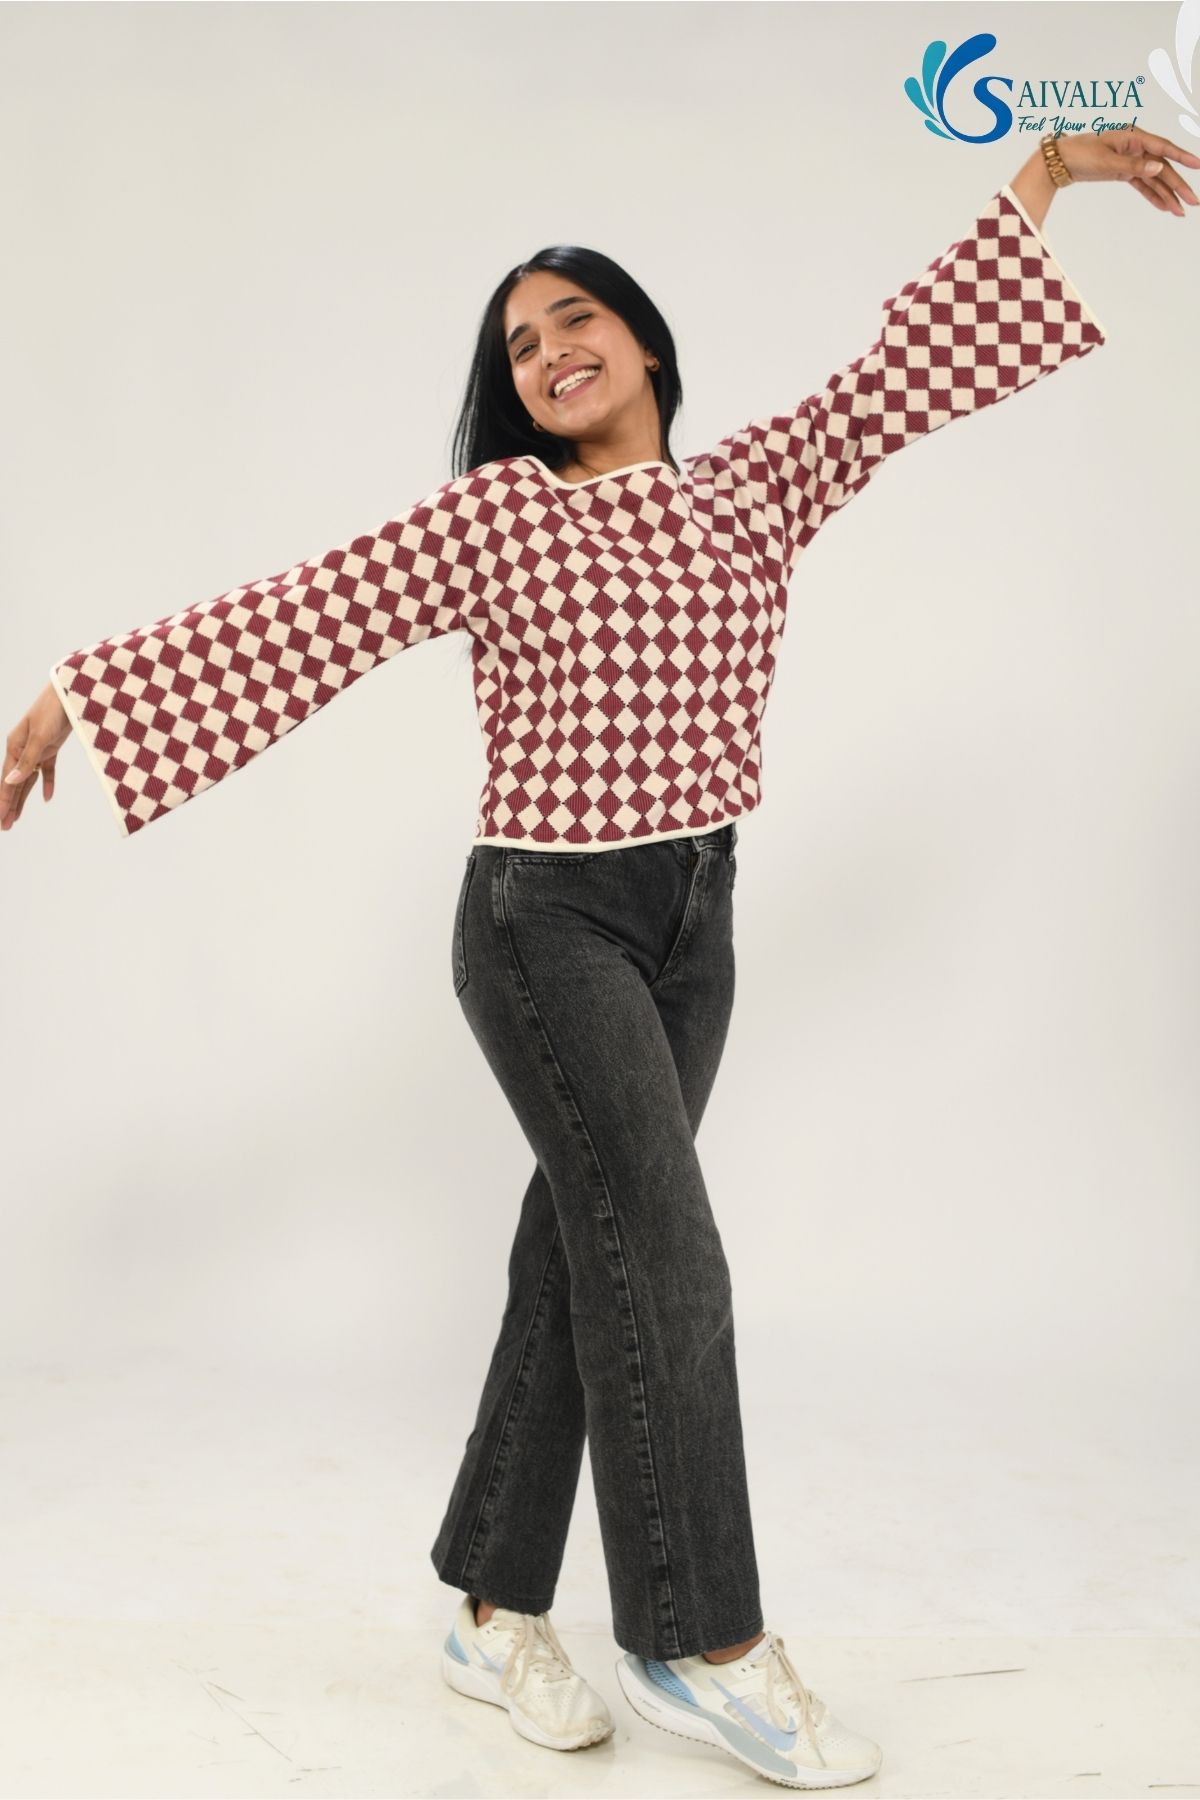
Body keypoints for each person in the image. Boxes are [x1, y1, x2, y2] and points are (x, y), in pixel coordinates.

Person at [5, 129, 1195, 1790]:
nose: (548, 353)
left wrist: (1050, 171)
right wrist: (82, 692)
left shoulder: (751, 487)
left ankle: (491, 1609)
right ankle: (700, 1641)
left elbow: (904, 372)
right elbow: (307, 612)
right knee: (672, 1262)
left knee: (591, 1257)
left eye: (574, 320)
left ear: (645, 345)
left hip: (695, 921)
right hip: (544, 918)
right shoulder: (500, 517)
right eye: (518, 345)